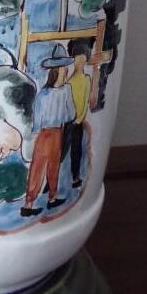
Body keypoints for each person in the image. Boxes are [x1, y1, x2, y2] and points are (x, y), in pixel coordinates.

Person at [21, 45, 75, 217]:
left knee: (53, 166)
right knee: (39, 167)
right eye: (62, 69)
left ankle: (51, 198)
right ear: (55, 72)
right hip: (47, 133)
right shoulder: (48, 93)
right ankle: (29, 203)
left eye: (65, 69)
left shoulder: (53, 93)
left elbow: (70, 114)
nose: (65, 72)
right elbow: (69, 114)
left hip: (54, 133)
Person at [62, 45, 92, 188]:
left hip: (78, 121)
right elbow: (66, 104)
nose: (80, 62)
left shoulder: (86, 79)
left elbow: (85, 101)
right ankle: (53, 181)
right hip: (69, 121)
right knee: (63, 150)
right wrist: (71, 118)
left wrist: (80, 117)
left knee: (76, 150)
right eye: (78, 59)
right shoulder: (68, 82)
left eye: (83, 59)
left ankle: (75, 177)